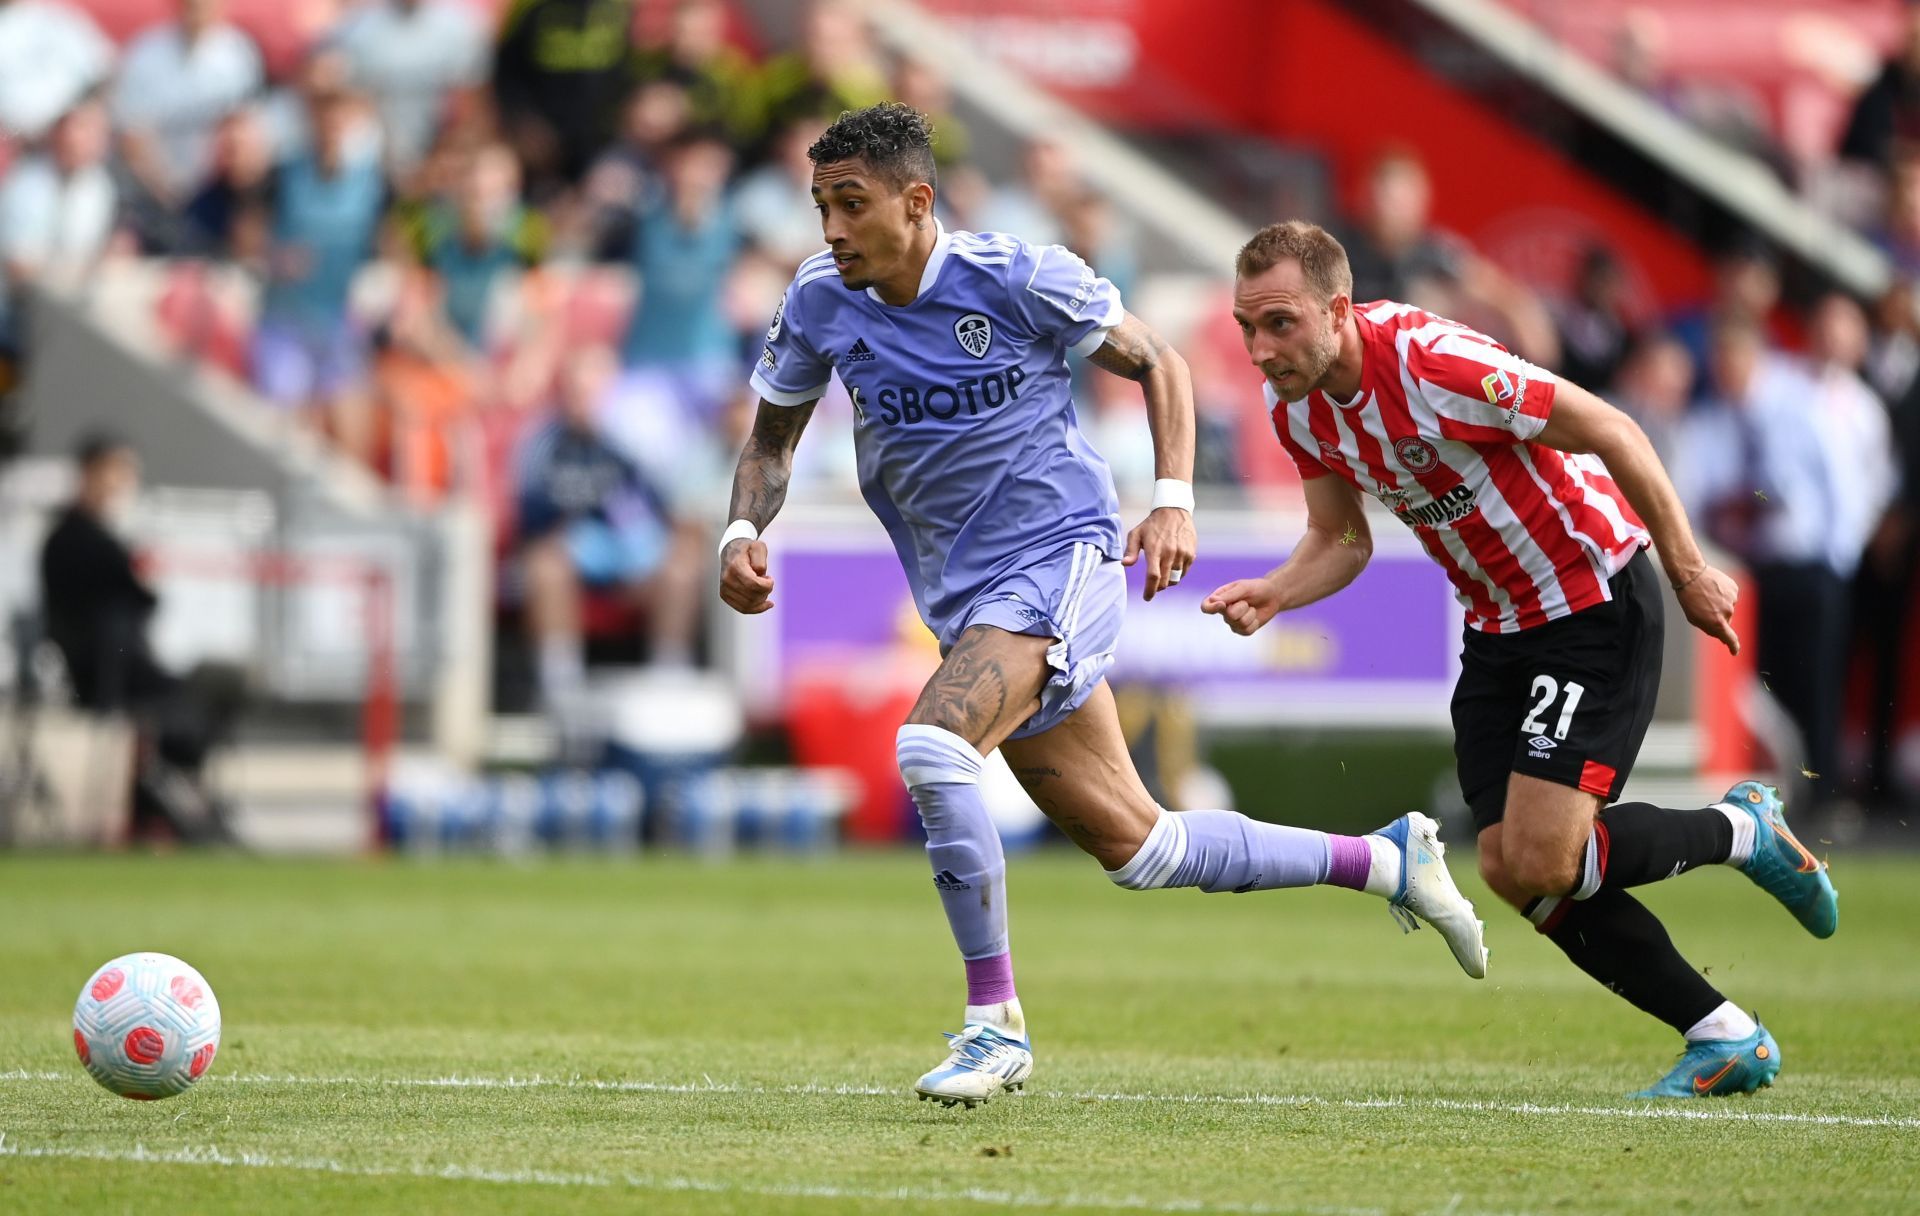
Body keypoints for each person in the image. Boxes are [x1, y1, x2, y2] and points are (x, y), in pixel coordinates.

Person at [719, 105, 1487, 1108]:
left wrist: (1173, 502)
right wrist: (743, 534)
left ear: (917, 202)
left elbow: (1158, 361)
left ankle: (994, 1026)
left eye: (850, 204)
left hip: (1063, 558)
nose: (828, 228)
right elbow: (772, 443)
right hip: (966, 600)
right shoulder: (822, 300)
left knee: (932, 747)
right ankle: (1386, 858)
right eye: (822, 205)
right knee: (1144, 846)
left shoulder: (1018, 275)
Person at [1208, 220, 1839, 1100]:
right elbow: (1340, 539)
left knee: (1546, 857)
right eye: (1246, 327)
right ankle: (1723, 1033)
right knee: (1511, 868)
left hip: (1591, 601)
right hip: (1498, 630)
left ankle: (1744, 831)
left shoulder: (1434, 362)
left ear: (1338, 309)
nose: (1259, 348)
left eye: (1278, 324)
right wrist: (1278, 588)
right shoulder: (1299, 409)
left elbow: (1614, 429)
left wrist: (1690, 570)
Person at [39, 433, 242, 843]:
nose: (123, 483)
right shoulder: (77, 540)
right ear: (90, 473)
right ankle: (164, 813)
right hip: (108, 676)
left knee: (215, 692)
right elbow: (137, 596)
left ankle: (168, 808)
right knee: (208, 696)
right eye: (116, 471)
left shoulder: (90, 537)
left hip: (124, 670)